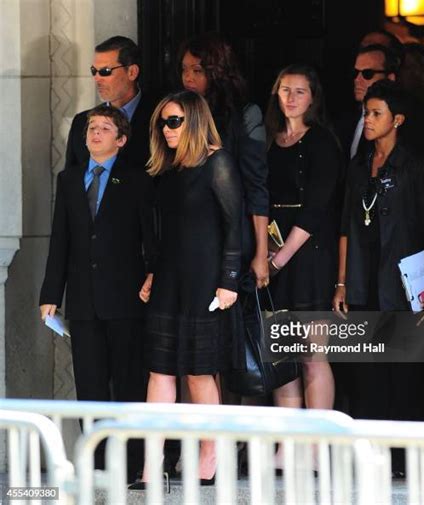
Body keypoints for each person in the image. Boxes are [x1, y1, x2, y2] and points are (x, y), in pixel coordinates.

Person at [132, 90, 243, 487]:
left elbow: (235, 225)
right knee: (159, 371)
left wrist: (229, 280)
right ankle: (152, 463)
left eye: (174, 121)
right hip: (169, 279)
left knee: (199, 372)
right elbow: (165, 235)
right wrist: (151, 273)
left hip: (205, 281)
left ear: (194, 120)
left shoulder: (218, 162)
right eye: (163, 122)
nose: (166, 129)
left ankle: (210, 455)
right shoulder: (169, 170)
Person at [39, 104, 156, 480]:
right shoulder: (69, 180)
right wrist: (50, 293)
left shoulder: (137, 180)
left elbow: (150, 237)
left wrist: (153, 275)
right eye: (92, 127)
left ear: (121, 140)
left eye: (105, 128)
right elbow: (61, 240)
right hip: (84, 301)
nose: (95, 134)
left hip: (126, 298)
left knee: (127, 382)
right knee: (89, 384)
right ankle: (98, 463)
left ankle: (132, 464)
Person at [332, 80, 424, 470]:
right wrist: (342, 282)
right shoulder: (359, 167)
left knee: (406, 374)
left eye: (376, 113)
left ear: (397, 119)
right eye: (366, 113)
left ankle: (408, 458)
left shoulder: (417, 168)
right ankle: (372, 454)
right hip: (363, 281)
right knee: (367, 373)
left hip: (404, 285)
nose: (368, 120)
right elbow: (345, 227)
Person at [265, 64, 343, 470]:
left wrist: (277, 258)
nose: (291, 97)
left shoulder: (323, 142)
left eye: (299, 91)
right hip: (274, 252)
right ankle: (288, 441)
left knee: (313, 352)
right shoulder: (269, 140)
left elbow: (315, 209)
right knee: (283, 352)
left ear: (313, 97)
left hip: (308, 254)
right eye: (284, 90)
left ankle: (316, 444)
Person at [178, 33, 269, 288]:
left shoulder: (244, 116)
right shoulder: (178, 116)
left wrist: (261, 253)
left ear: (216, 72)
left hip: (230, 234)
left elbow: (256, 187)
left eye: (197, 70)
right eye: (184, 70)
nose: (188, 77)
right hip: (189, 233)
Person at [65, 36, 156, 170]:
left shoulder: (159, 118)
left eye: (105, 71)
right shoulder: (81, 122)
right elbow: (69, 182)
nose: (97, 78)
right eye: (94, 71)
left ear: (132, 72)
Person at [335, 44, 398, 162]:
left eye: (367, 73)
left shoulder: (401, 124)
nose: (357, 80)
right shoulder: (345, 118)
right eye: (355, 73)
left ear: (390, 78)